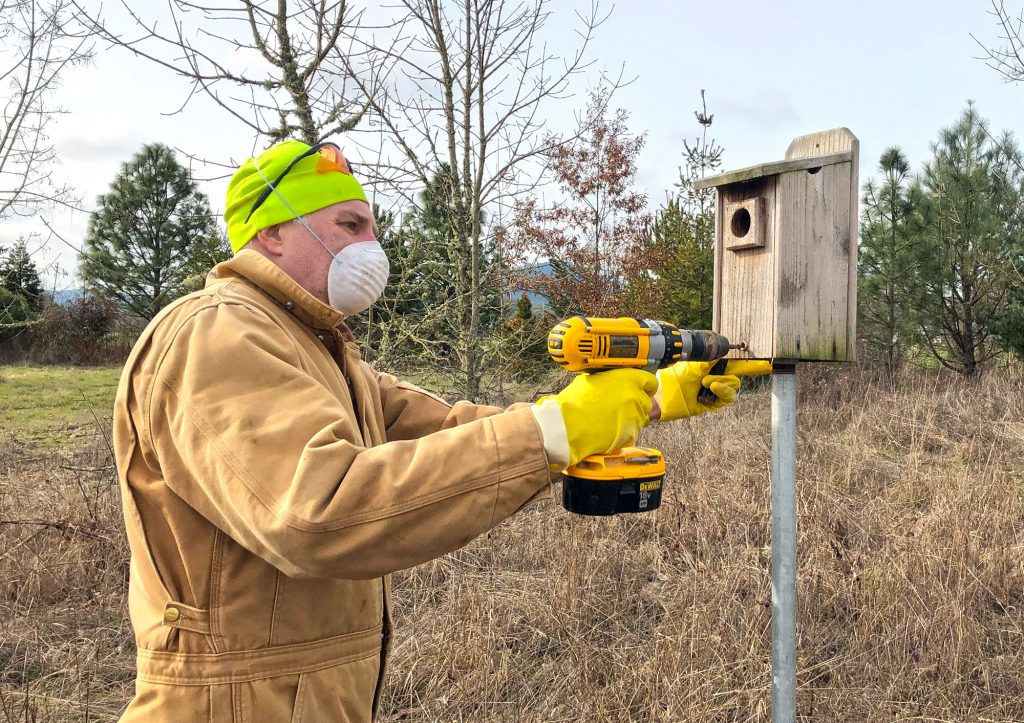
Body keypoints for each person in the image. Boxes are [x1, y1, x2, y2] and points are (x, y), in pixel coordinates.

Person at [112, 139, 769, 721]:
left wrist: (647, 398)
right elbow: (317, 510)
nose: (372, 244)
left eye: (371, 224)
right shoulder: (219, 332)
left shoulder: (317, 350)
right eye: (349, 224)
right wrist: (558, 430)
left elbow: (450, 430)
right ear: (273, 233)